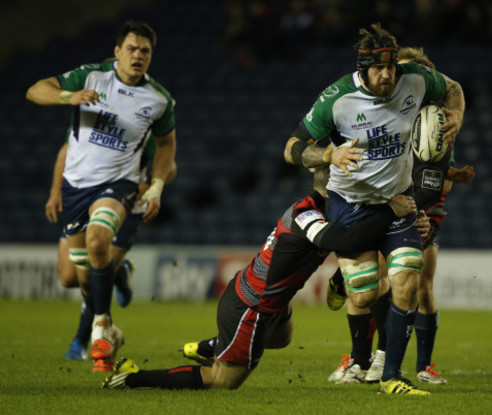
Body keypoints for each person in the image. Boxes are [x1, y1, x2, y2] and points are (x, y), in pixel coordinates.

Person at [101, 166, 419, 390]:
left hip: (273, 305)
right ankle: (130, 377)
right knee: (223, 381)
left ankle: (215, 344)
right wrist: (391, 212)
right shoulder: (307, 217)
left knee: (282, 338)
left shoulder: (327, 212)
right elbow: (348, 242)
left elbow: (361, 239)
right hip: (251, 306)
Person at [283, 24, 465, 395]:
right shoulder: (337, 98)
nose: (387, 75)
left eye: (391, 67)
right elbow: (291, 148)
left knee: (408, 279)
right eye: (379, 69)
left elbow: (454, 88)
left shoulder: (414, 78)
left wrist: (457, 114)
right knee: (364, 294)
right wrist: (329, 153)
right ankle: (357, 330)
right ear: (363, 68)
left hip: (400, 204)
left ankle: (392, 376)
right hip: (351, 207)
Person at [26, 20, 176, 372]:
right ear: (117, 52)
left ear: (151, 56)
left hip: (120, 186)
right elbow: (35, 90)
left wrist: (155, 187)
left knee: (98, 241)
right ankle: (108, 319)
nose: (138, 55)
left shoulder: (158, 100)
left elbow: (168, 148)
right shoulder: (91, 78)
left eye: (145, 51)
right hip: (76, 188)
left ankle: (97, 329)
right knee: (77, 277)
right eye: (132, 49)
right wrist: (68, 96)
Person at [326, 46, 476, 386]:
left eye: (407, 74)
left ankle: (413, 364)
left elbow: (433, 179)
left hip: (420, 205)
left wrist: (419, 206)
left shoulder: (436, 121)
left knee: (416, 281)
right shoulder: (379, 113)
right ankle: (362, 359)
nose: (397, 81)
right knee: (373, 279)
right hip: (383, 204)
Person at [46, 136, 177, 360]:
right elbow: (66, 150)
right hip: (85, 196)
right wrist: (56, 191)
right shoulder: (94, 111)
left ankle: (81, 341)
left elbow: (170, 165)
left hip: (128, 203)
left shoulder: (143, 119)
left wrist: (151, 185)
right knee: (70, 278)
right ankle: (118, 273)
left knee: (96, 269)